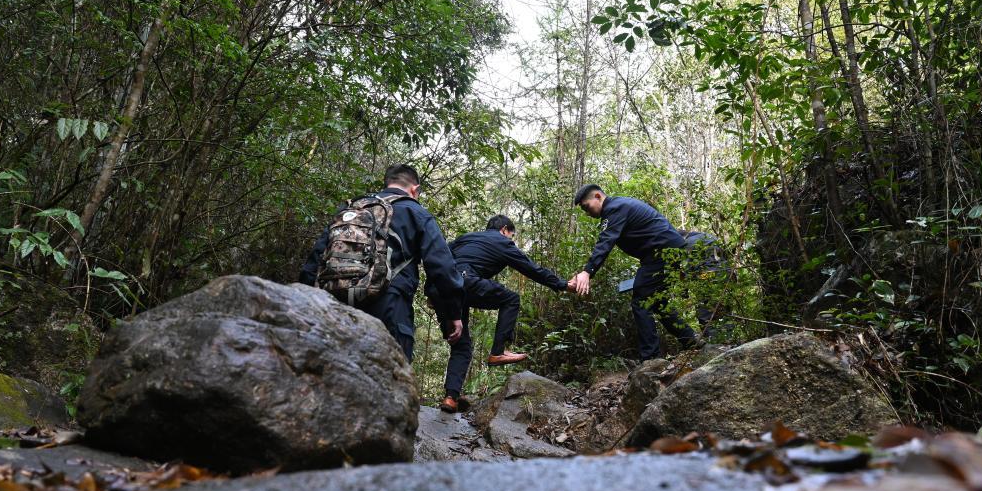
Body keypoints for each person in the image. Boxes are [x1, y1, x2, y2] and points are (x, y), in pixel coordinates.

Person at [298, 164, 464, 361]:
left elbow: (316, 259)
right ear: (415, 189)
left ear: (386, 183)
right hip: (389, 304)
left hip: (335, 303)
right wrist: (453, 313)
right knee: (391, 377)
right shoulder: (416, 213)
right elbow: (442, 268)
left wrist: (307, 304)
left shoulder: (351, 209)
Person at [429, 215, 568, 413]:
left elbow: (437, 259)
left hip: (442, 289)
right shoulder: (502, 242)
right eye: (511, 236)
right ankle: (498, 352)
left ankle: (451, 398)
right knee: (511, 299)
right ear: (504, 230)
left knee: (461, 345)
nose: (511, 240)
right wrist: (562, 284)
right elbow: (532, 269)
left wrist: (431, 292)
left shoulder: (464, 238)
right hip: (466, 283)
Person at [568, 184, 703, 360]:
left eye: (587, 207)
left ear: (598, 196)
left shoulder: (614, 208)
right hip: (665, 252)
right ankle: (690, 339)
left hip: (661, 252)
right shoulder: (618, 206)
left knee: (641, 302)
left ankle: (650, 359)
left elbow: (606, 241)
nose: (588, 212)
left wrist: (587, 272)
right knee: (658, 302)